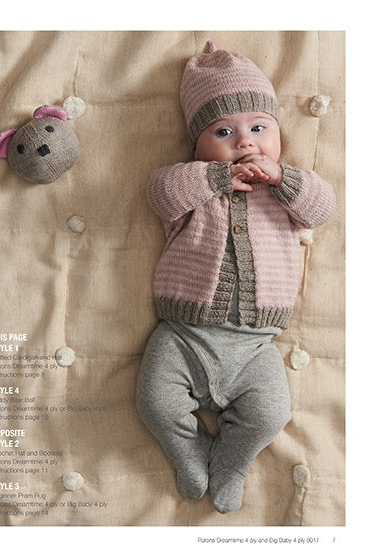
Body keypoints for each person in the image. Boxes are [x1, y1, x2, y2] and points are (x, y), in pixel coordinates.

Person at [135, 41, 335, 514]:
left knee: (271, 414)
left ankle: (232, 459)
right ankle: (188, 448)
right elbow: (159, 192)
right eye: (224, 131)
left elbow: (322, 208)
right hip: (183, 335)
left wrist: (283, 177)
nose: (245, 142)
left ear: (278, 133)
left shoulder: (286, 193)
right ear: (197, 145)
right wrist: (216, 179)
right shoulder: (195, 187)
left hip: (255, 345)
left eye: (259, 128)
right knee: (155, 404)